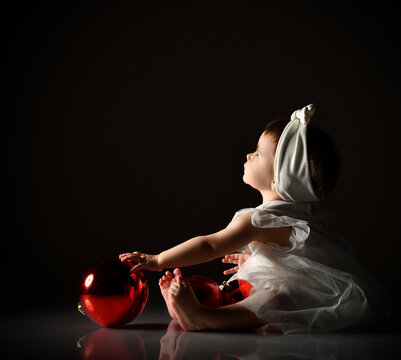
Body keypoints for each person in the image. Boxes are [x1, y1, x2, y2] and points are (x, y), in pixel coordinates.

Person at [119, 104, 385, 333]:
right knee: (269, 295)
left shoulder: (259, 220)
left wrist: (157, 260)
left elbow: (210, 246)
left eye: (257, 153)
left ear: (278, 181)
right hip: (310, 284)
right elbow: (307, 257)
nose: (249, 155)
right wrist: (257, 259)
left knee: (275, 300)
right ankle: (194, 310)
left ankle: (206, 318)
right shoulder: (301, 215)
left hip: (313, 291)